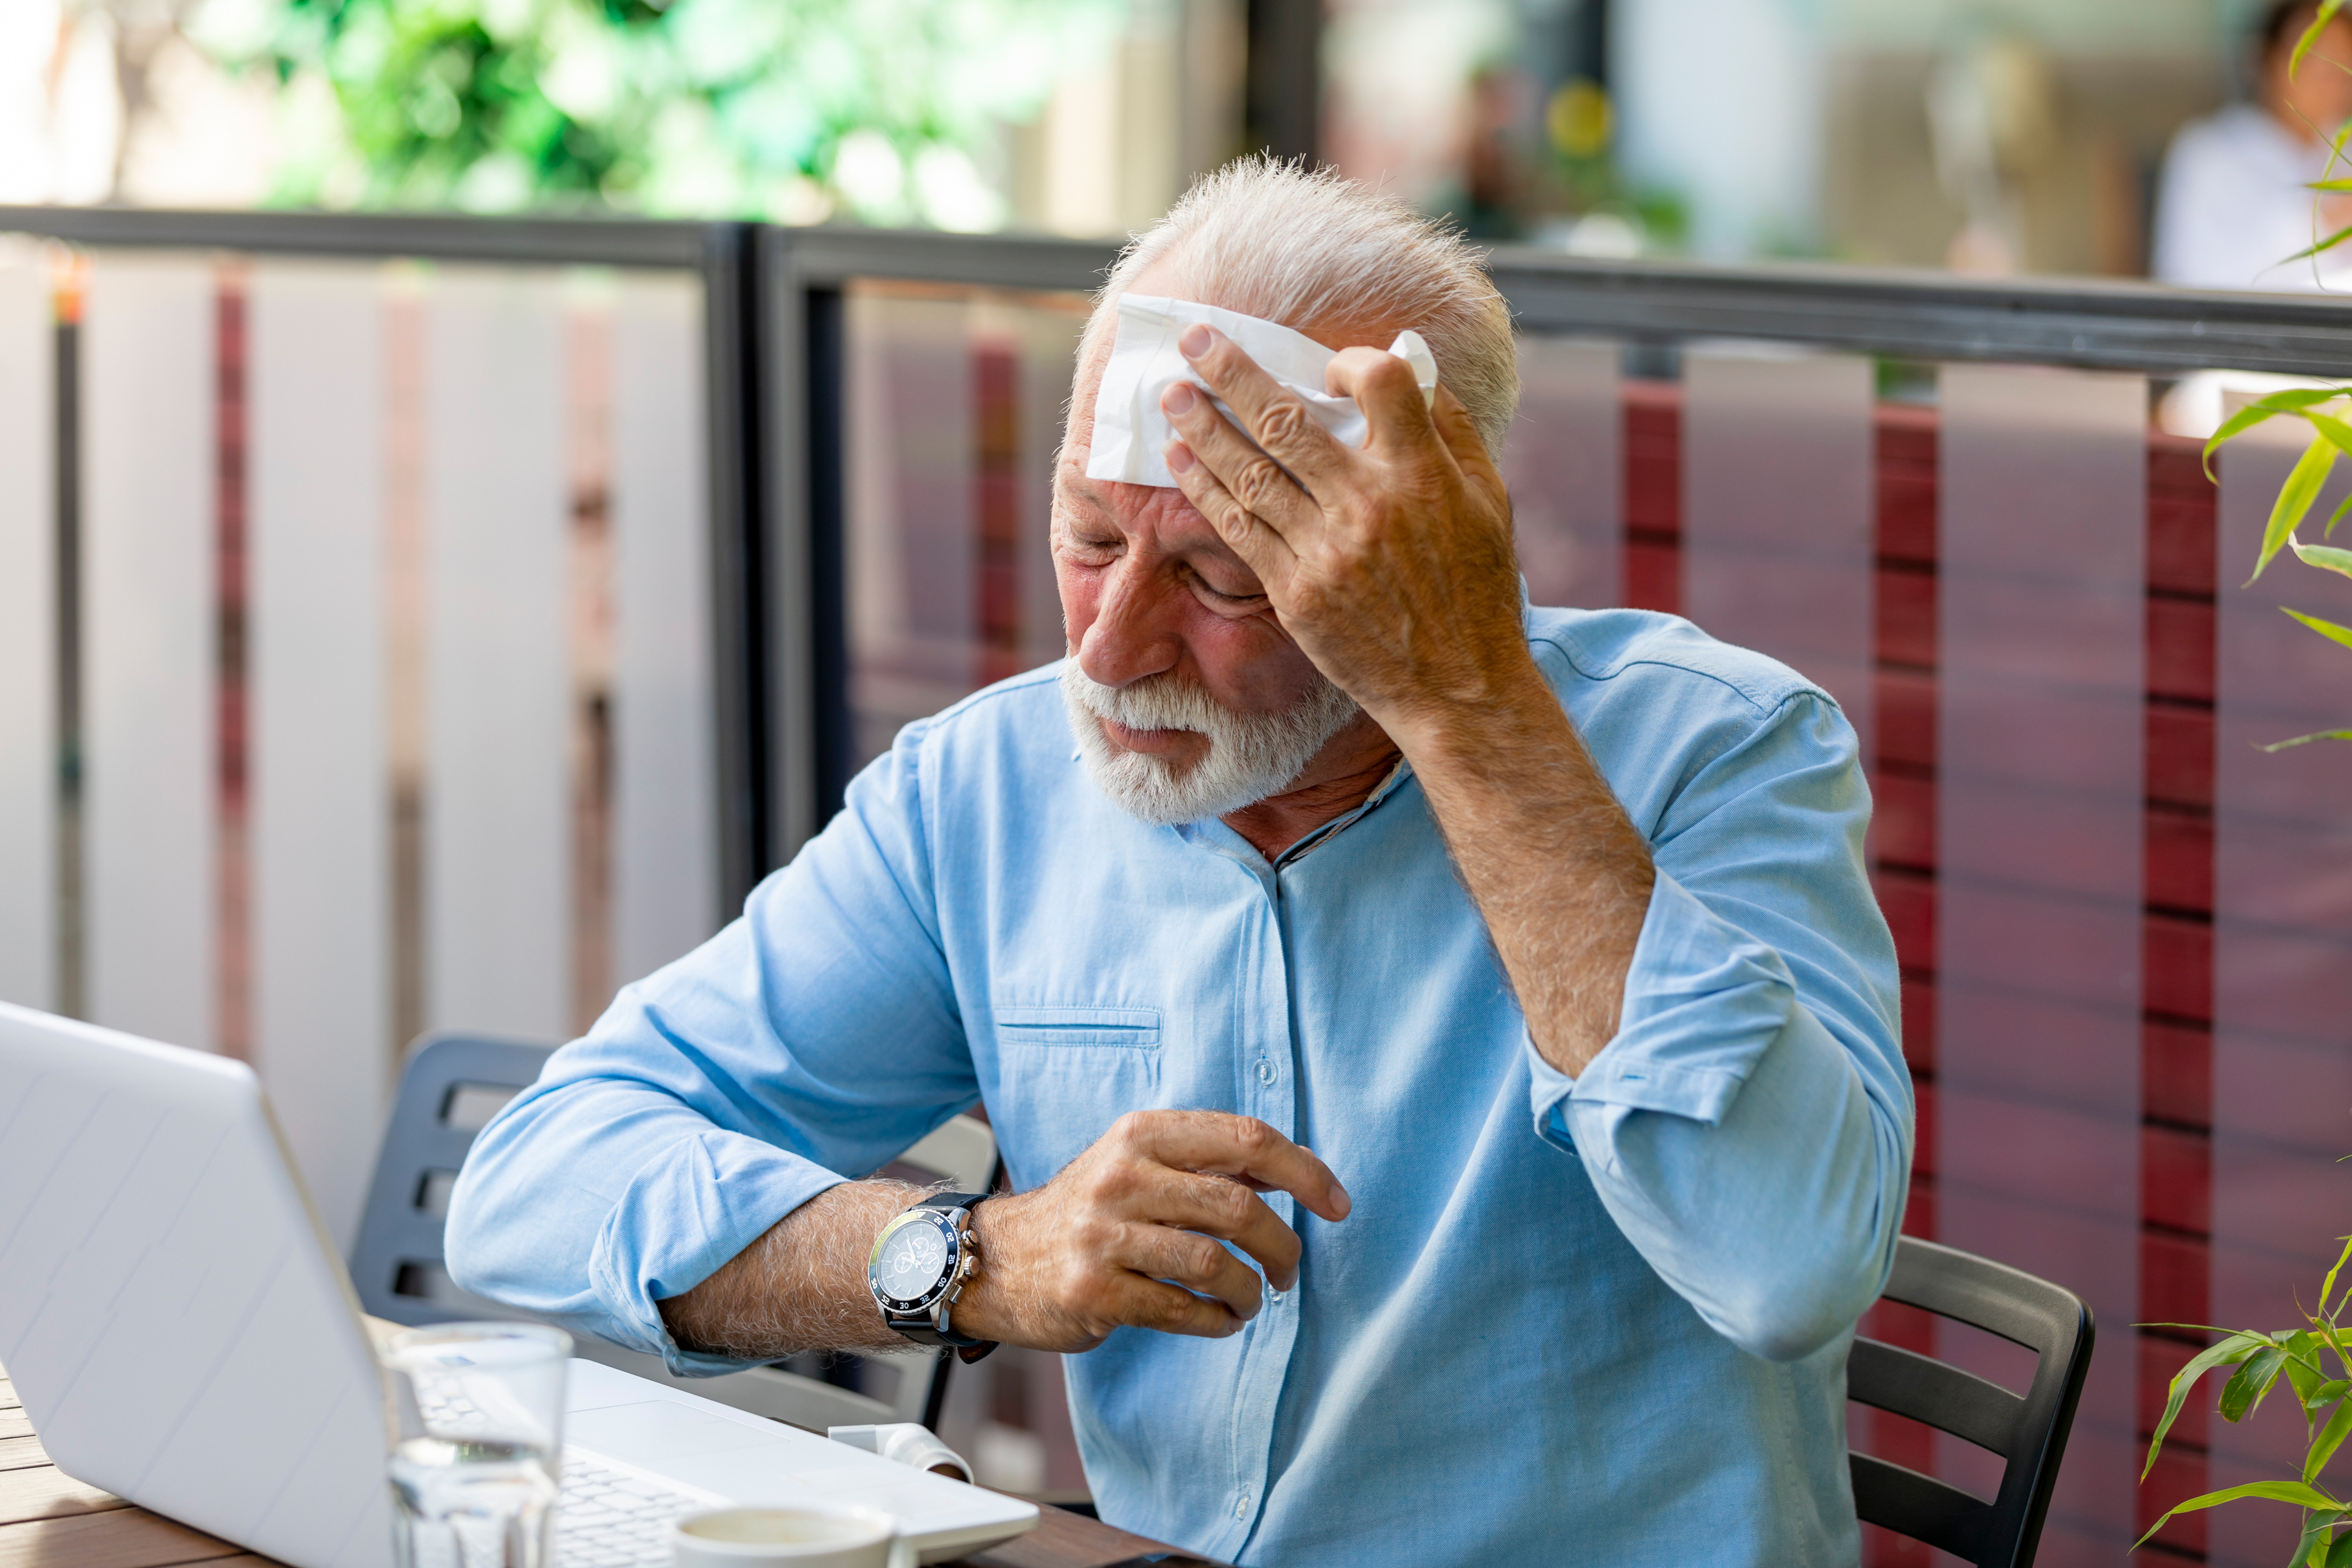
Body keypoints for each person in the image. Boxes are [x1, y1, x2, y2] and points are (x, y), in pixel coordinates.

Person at [446, 158, 1909, 1568]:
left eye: (1220, 578)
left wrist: (1464, 703)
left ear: (1416, 551)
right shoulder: (990, 793)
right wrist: (971, 1260)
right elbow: (538, 1184)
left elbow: (1787, 1267)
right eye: (1089, 539)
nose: (1110, 647)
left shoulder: (1721, 752)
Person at [2152, 0, 2352, 289]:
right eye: (2319, 61)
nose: (2333, 83)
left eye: (2344, 66)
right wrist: (2325, 223)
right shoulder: (2210, 155)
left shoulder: (2344, 150)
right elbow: (2191, 283)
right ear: (2266, 60)